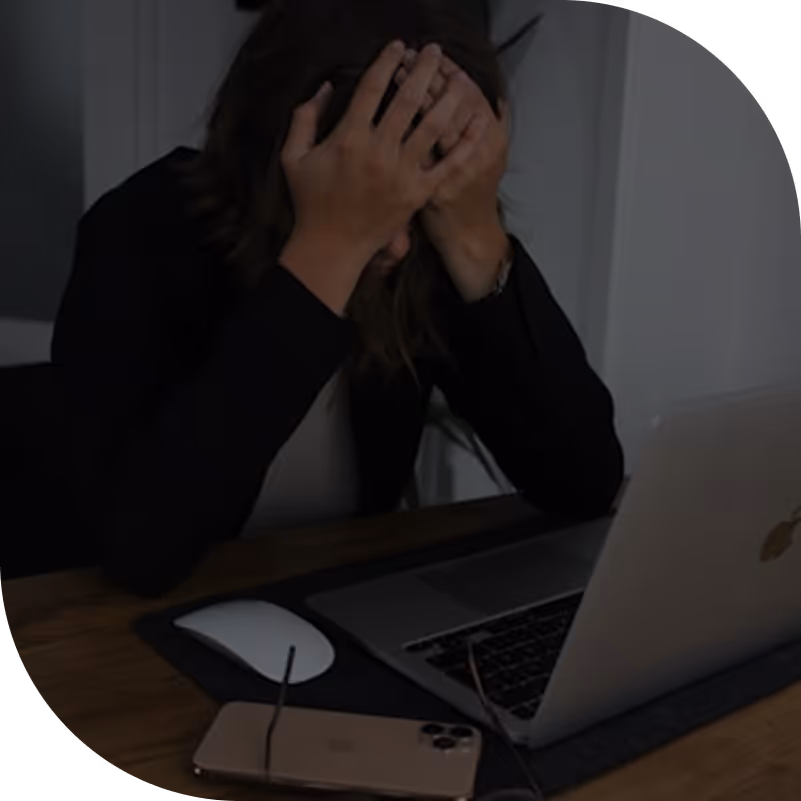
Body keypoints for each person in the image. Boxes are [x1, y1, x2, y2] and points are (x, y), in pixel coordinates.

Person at [50, 0, 624, 599]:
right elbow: (140, 548)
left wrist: (475, 234)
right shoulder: (139, 230)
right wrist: (325, 255)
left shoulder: (431, 239)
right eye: (370, 197)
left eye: (416, 197)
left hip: (335, 609)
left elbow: (582, 481)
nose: (397, 243)